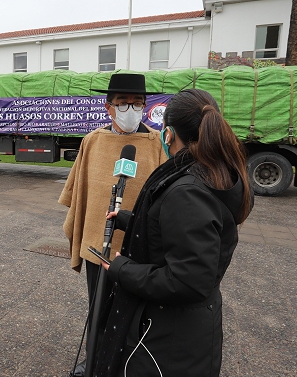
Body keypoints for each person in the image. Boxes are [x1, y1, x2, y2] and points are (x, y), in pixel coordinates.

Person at [95, 89, 253, 377]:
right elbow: (179, 230)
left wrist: (123, 269)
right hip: (183, 333)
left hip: (167, 341)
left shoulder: (188, 191)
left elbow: (189, 281)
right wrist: (133, 221)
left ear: (168, 134)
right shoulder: (211, 172)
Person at [59, 74, 166, 375]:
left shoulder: (157, 143)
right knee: (99, 307)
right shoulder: (92, 141)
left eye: (137, 103)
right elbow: (79, 190)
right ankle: (94, 356)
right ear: (109, 108)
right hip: (98, 242)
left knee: (136, 310)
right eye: (123, 103)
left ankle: (128, 361)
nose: (130, 109)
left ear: (146, 106)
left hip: (138, 246)